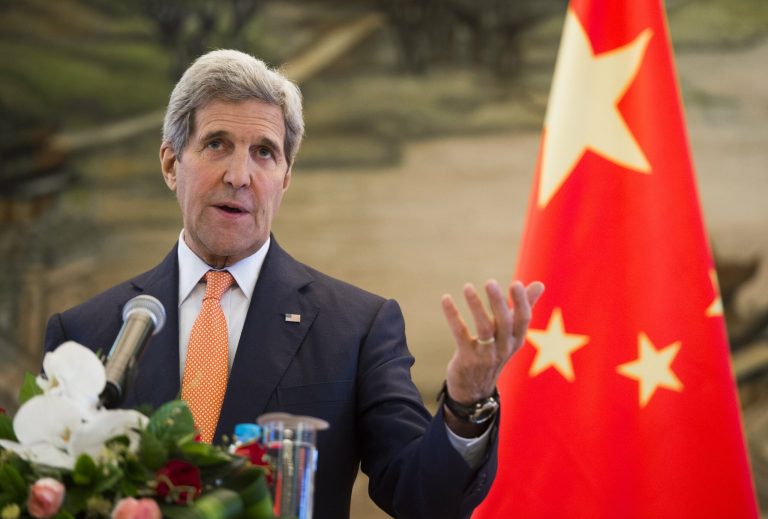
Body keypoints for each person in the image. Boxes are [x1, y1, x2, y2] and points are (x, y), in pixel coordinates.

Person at [44, 49, 543, 518]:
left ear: (285, 178)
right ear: (172, 164)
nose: (239, 175)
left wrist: (465, 402)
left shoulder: (357, 327)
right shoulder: (85, 332)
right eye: (217, 144)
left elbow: (421, 498)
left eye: (264, 152)